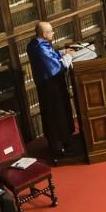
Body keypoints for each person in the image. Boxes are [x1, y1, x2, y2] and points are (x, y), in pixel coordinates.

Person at [27, 21, 75, 159]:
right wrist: (68, 56)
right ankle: (60, 149)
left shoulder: (35, 43)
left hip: (48, 86)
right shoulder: (39, 47)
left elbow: (51, 55)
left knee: (56, 115)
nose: (53, 33)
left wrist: (62, 52)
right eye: (51, 31)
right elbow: (55, 66)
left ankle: (62, 143)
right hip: (51, 87)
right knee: (56, 116)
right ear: (44, 34)